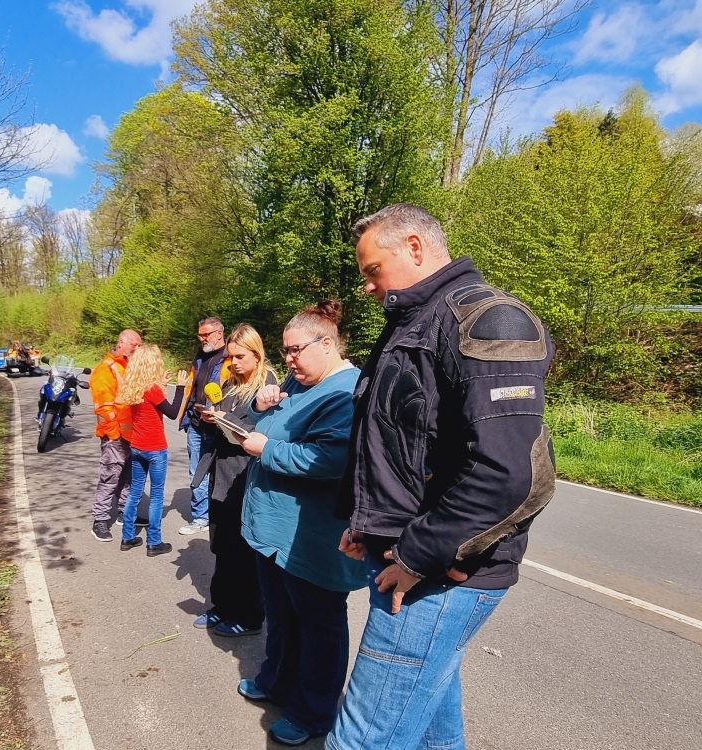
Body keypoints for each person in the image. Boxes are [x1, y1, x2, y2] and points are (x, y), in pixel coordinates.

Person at [327, 204, 556, 750]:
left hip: (437, 574)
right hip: (403, 557)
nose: (366, 286)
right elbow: (395, 440)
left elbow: (510, 475)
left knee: (360, 740)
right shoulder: (413, 321)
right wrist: (367, 521)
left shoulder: (488, 320)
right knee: (433, 726)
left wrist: (417, 555)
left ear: (413, 246)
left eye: (371, 269)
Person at [234, 300, 368, 747]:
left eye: (295, 350)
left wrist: (263, 450)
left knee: (319, 625)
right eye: (285, 351)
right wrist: (260, 401)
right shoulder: (298, 380)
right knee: (281, 615)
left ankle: (314, 712)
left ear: (326, 343)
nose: (287, 361)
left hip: (311, 537)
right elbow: (269, 421)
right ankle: (277, 681)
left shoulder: (345, 391)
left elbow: (331, 459)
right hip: (274, 532)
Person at [193, 324, 277, 638]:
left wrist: (229, 424)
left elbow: (262, 429)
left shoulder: (267, 386)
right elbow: (225, 423)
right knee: (223, 546)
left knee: (243, 550)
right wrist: (211, 417)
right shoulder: (230, 382)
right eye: (231, 357)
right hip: (222, 473)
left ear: (257, 354)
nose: (234, 362)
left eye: (240, 356)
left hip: (245, 474)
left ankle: (250, 615)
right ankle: (223, 606)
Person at [117, 345, 189, 557]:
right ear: (152, 365)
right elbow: (173, 412)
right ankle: (154, 542)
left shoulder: (133, 386)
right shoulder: (152, 389)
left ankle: (127, 537)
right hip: (155, 449)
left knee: (135, 492)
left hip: (137, 447)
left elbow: (153, 406)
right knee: (157, 496)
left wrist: (164, 384)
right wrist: (181, 387)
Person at [178, 317, 232, 535]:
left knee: (223, 473)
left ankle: (222, 515)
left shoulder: (231, 358)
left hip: (219, 424)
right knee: (196, 471)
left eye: (205, 334)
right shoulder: (199, 357)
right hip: (196, 423)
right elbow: (193, 387)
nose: (201, 338)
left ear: (219, 334)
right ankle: (201, 517)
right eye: (200, 334)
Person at [89, 329, 142, 542]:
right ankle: (100, 519)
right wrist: (113, 435)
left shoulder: (129, 365)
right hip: (116, 436)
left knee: (128, 477)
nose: (138, 348)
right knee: (110, 477)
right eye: (134, 345)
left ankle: (124, 512)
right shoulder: (106, 369)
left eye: (140, 345)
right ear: (122, 343)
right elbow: (104, 407)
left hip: (132, 435)